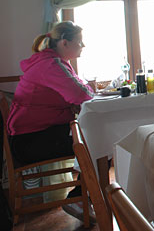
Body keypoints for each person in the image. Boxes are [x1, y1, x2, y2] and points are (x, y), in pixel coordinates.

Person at [6, 21, 95, 222]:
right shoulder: (50, 65)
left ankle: (82, 197)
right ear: (65, 43)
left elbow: (78, 92)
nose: (83, 46)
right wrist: (78, 98)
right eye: (79, 41)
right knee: (97, 142)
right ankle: (80, 199)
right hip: (29, 143)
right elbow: (82, 94)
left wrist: (77, 98)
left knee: (94, 137)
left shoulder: (53, 62)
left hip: (33, 136)